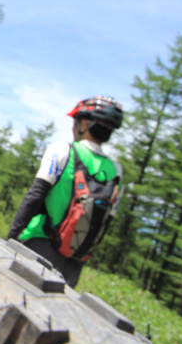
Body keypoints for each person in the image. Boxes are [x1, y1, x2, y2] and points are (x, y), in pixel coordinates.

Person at [7, 96, 124, 287]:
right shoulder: (116, 172)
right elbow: (105, 222)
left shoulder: (62, 150)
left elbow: (35, 197)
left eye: (74, 121)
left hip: (38, 246)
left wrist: (10, 239)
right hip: (73, 265)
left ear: (84, 122)